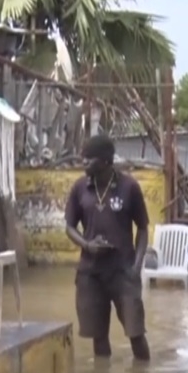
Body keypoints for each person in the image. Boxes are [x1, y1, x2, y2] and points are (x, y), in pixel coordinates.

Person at [64, 135, 151, 361]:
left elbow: (142, 229)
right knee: (98, 336)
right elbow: (69, 227)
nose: (84, 164)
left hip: (123, 271)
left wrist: (137, 266)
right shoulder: (80, 188)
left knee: (136, 333)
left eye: (89, 160)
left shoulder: (129, 186)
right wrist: (87, 245)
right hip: (91, 273)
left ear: (105, 162)